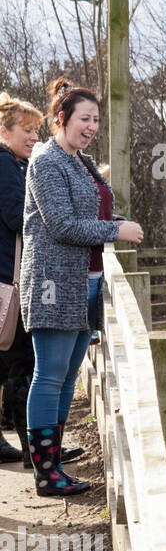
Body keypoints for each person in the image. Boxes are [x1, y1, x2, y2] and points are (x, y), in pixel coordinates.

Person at [21, 79, 144, 496]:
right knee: (50, 374)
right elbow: (61, 224)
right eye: (84, 119)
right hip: (54, 283)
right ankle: (44, 471)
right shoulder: (46, 161)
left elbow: (90, 211)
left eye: (96, 119)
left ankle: (53, 462)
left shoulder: (79, 161)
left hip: (83, 283)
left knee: (68, 375)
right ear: (61, 119)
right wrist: (116, 229)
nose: (91, 126)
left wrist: (115, 220)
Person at [0, 92, 44, 465]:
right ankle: (35, 452)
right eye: (27, 130)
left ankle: (33, 449)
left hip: (10, 280)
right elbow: (17, 218)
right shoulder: (5, 166)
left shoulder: (16, 165)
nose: (33, 137)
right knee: (21, 364)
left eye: (36, 131)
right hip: (7, 283)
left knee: (17, 365)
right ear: (4, 131)